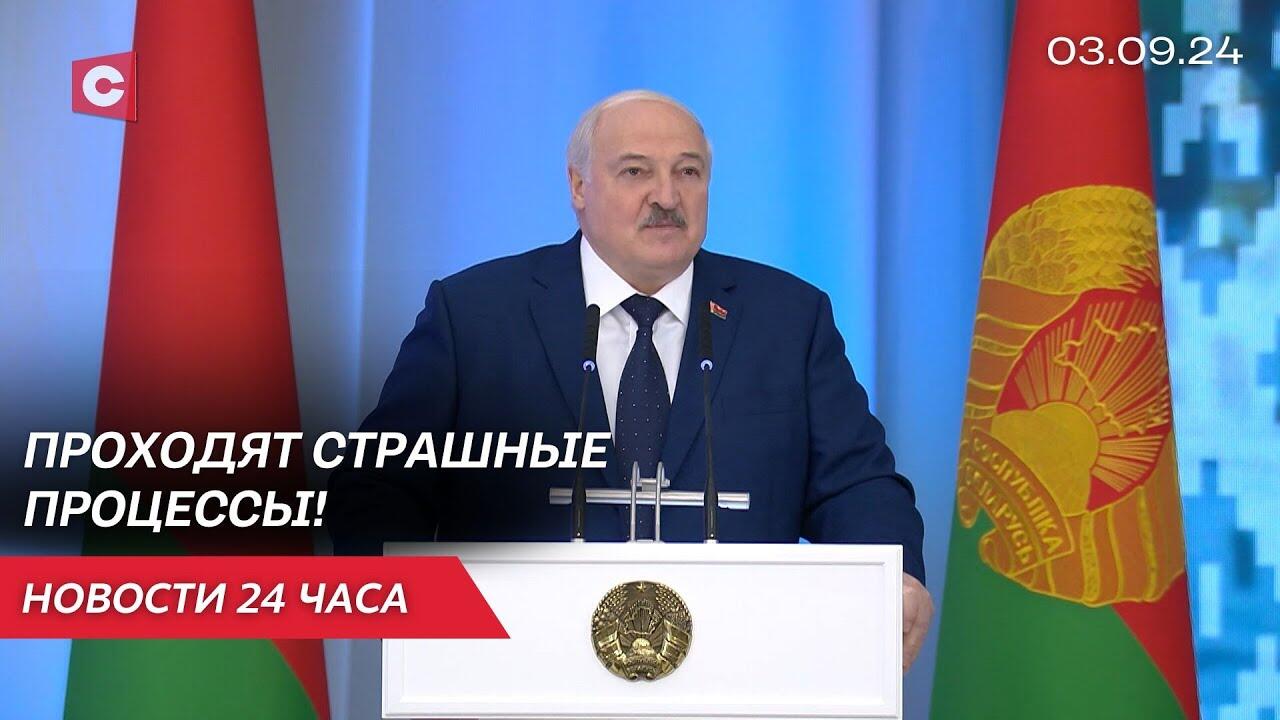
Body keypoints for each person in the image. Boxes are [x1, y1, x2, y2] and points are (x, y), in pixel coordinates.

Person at [329, 89, 933, 670]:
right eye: (636, 171)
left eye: (688, 172)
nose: (666, 196)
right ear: (578, 186)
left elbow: (856, 487)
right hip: (517, 675)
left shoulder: (787, 317)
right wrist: (432, 615)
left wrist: (895, 575)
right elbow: (381, 486)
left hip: (739, 675)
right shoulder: (476, 315)